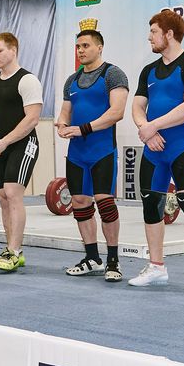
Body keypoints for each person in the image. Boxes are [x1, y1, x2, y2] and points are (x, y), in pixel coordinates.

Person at [128, 11, 184, 294]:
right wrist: (146, 128)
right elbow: (137, 106)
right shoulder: (148, 71)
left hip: (181, 147)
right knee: (151, 206)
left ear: (169, 34)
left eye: (154, 31)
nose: (149, 37)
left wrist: (153, 126)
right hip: (153, 150)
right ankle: (156, 267)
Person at [55, 30, 129, 282]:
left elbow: (116, 112)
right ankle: (92, 258)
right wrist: (63, 124)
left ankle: (113, 261)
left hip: (102, 150)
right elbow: (66, 111)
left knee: (105, 203)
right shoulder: (72, 80)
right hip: (77, 152)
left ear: (100, 47)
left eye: (86, 45)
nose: (81, 50)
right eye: (78, 46)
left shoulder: (113, 74)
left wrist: (83, 129)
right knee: (79, 202)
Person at [0, 32, 43, 271]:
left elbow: (32, 119)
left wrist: (4, 142)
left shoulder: (27, 80)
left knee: (12, 193)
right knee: (3, 198)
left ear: (13, 51)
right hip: (0, 146)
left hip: (24, 144)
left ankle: (14, 252)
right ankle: (11, 249)